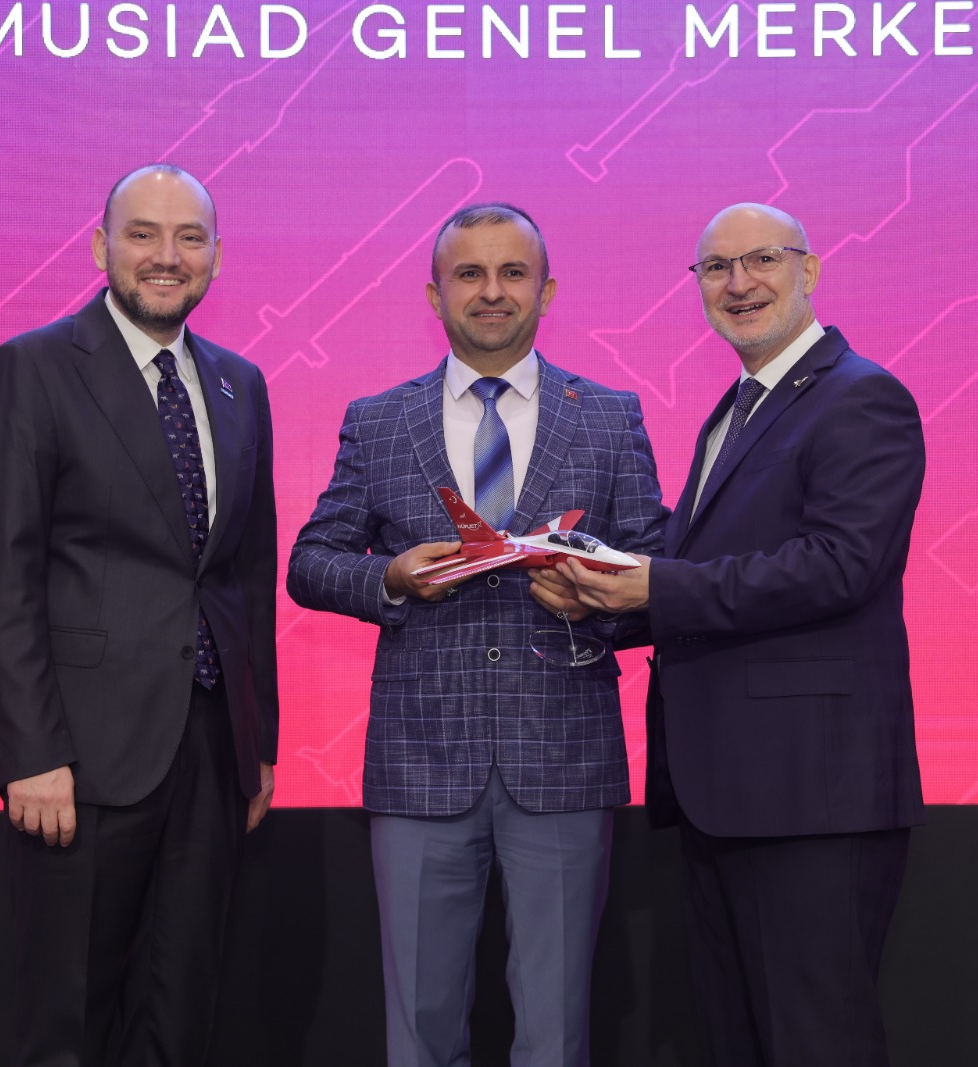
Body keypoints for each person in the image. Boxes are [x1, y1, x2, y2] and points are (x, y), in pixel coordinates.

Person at [287, 202, 668, 1067]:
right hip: (419, 761)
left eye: (512, 273)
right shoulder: (379, 419)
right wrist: (389, 577)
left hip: (564, 758)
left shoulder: (610, 417)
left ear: (547, 291)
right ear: (435, 295)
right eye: (470, 274)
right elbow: (310, 562)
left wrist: (597, 601)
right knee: (419, 1036)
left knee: (556, 1037)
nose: (492, 291)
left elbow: (661, 574)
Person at [559, 203, 926, 1065]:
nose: (738, 283)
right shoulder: (738, 408)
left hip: (812, 796)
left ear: (811, 270)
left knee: (816, 1041)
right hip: (727, 794)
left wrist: (656, 584)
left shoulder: (861, 396)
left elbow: (840, 565)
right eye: (716, 268)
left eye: (761, 259)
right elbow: (715, 569)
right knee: (739, 1042)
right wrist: (599, 595)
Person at [0, 163, 279, 1066]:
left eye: (189, 237)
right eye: (143, 234)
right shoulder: (31, 369)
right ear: (102, 246)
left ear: (216, 256)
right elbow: (4, 578)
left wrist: (257, 743)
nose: (166, 256)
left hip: (210, 752)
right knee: (72, 1019)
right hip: (81, 759)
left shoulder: (240, 383)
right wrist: (32, 752)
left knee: (181, 1016)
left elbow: (247, 576)